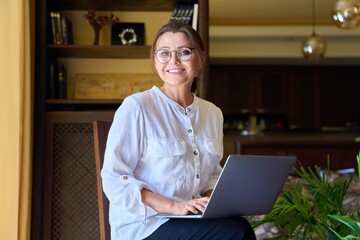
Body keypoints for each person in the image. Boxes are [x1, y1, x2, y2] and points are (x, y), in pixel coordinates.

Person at [101, 21, 256, 240]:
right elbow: (114, 178)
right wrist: (174, 206)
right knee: (234, 233)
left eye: (184, 52)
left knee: (239, 226)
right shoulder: (136, 107)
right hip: (146, 225)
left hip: (193, 219)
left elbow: (211, 173)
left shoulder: (212, 113)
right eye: (164, 53)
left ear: (200, 58)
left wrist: (213, 198)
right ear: (155, 61)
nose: (173, 61)